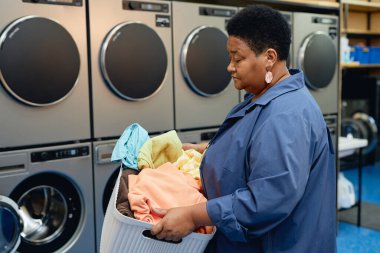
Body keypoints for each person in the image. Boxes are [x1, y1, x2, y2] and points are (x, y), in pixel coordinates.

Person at [151, 5, 337, 253]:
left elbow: (267, 199)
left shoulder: (285, 115)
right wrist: (208, 151)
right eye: (230, 58)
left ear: (269, 58)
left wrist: (194, 216)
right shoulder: (265, 96)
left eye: (237, 59)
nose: (230, 67)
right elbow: (257, 149)